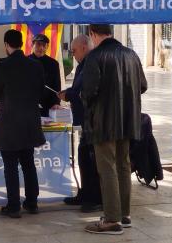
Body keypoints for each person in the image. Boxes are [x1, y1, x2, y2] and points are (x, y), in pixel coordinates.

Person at [81, 24, 147, 235]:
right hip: (128, 120)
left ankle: (111, 219)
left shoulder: (95, 56)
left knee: (107, 168)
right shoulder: (131, 54)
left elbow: (89, 92)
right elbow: (143, 85)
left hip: (103, 122)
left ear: (92, 34)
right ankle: (124, 214)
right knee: (123, 166)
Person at [0, 29, 46, 218]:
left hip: (9, 123)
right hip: (29, 121)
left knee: (10, 165)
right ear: (22, 44)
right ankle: (32, 202)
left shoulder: (2, 66)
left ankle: (13, 206)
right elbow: (40, 93)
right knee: (29, 163)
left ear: (6, 45)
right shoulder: (35, 66)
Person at [58, 35, 102, 212]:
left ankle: (94, 198)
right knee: (83, 157)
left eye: (74, 50)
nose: (73, 54)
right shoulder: (83, 64)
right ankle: (84, 193)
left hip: (93, 120)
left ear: (84, 47)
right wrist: (69, 92)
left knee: (91, 160)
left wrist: (69, 95)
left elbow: (87, 91)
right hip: (84, 120)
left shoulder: (92, 62)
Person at [29, 33, 61, 117]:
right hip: (29, 104)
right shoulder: (25, 61)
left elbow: (57, 85)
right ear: (32, 45)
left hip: (48, 105)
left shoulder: (53, 64)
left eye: (44, 45)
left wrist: (56, 102)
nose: (41, 48)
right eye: (38, 45)